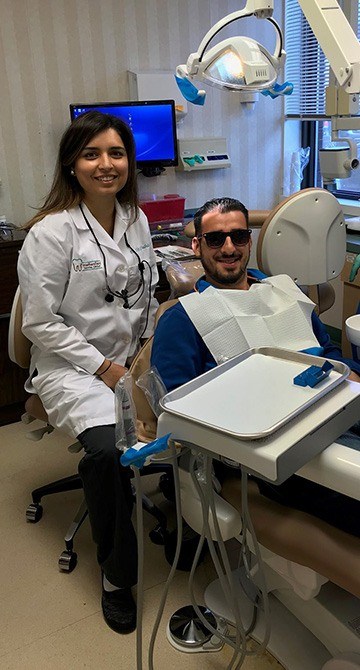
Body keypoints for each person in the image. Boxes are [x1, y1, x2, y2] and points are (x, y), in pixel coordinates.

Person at [18, 111, 159, 634]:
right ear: (71, 165)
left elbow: (141, 294)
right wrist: (103, 367)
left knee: (196, 408)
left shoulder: (136, 219)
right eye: (92, 154)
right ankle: (116, 578)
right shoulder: (51, 234)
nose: (106, 164)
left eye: (116, 153)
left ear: (129, 162)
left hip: (129, 360)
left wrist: (142, 354)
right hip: (73, 368)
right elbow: (38, 322)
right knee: (107, 452)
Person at [151, 197, 360, 537]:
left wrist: (346, 369)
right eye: (216, 239)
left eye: (238, 236)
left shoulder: (284, 291)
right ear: (197, 245)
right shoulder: (183, 318)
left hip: (341, 405)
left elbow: (330, 350)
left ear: (250, 241)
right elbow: (175, 409)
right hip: (273, 446)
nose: (229, 248)